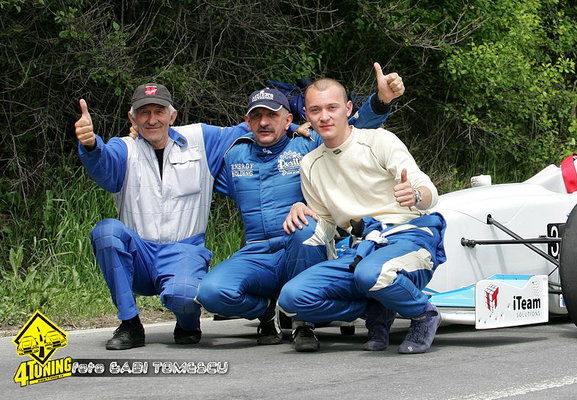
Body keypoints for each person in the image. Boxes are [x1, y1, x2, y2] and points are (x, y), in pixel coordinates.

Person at [195, 63, 405, 349]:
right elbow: (189, 167)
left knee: (305, 227)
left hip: (303, 247)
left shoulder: (309, 144)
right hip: (258, 253)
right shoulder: (234, 155)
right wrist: (141, 138)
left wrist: (380, 102)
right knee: (211, 293)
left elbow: (352, 126)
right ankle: (267, 312)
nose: (264, 122)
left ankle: (303, 324)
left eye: (273, 115)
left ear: (288, 119)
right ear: (247, 121)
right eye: (257, 116)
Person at [75, 84, 252, 349]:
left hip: (184, 250)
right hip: (141, 255)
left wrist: (297, 127)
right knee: (107, 232)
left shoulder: (202, 139)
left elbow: (255, 128)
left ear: (173, 116)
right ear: (132, 118)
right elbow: (103, 164)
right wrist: (90, 144)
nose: (152, 119)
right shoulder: (124, 149)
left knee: (183, 296)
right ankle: (130, 324)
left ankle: (188, 323)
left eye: (159, 111)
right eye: (143, 113)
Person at [276, 78, 446, 354]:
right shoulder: (310, 163)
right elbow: (325, 221)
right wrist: (302, 212)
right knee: (292, 297)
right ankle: (375, 307)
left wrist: (415, 195)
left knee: (370, 273)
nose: (325, 116)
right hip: (360, 249)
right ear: (306, 115)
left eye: (332, 107)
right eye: (316, 110)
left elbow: (429, 191)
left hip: (409, 236)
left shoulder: (378, 140)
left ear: (348, 108)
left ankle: (424, 314)